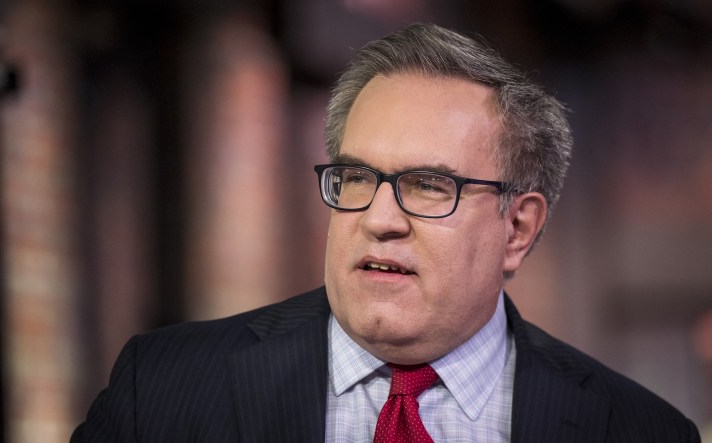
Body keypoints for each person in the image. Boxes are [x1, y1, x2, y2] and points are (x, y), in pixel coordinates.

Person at [71, 23, 700, 442]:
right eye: (356, 177)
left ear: (518, 228)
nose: (379, 218)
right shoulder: (157, 392)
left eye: (429, 185)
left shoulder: (637, 430)